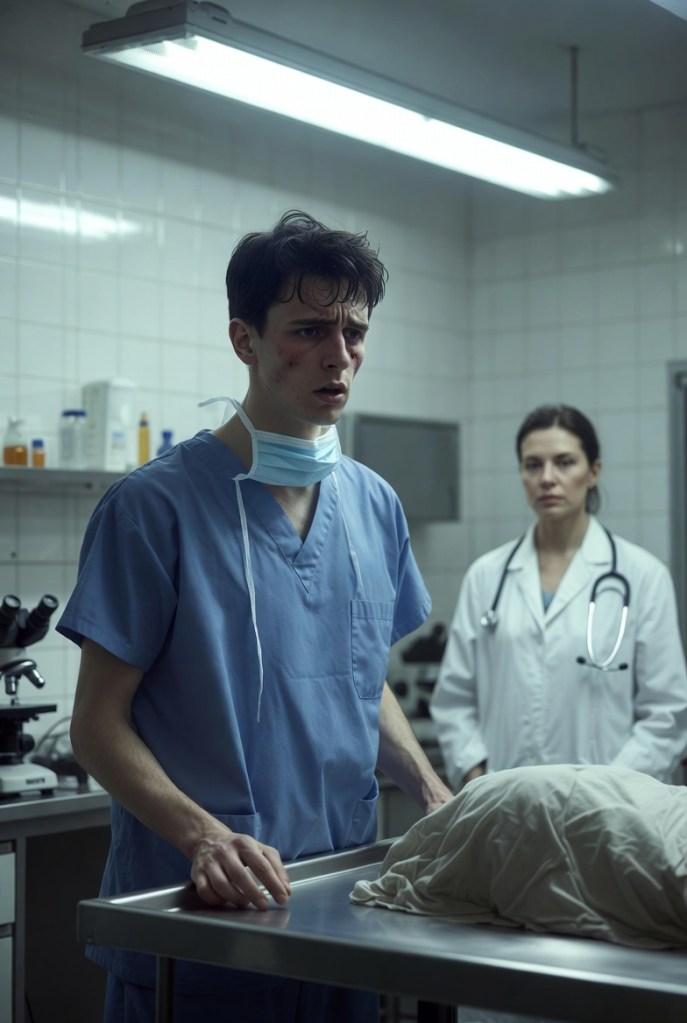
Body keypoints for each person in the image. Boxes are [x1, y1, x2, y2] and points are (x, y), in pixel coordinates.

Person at [58, 210, 453, 1023]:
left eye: (353, 331)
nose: (338, 355)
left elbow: (357, 677)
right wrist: (202, 835)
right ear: (245, 339)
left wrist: (428, 787)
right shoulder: (153, 506)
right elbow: (97, 724)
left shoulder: (372, 505)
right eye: (308, 330)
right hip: (196, 916)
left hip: (342, 904)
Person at [431, 403, 687, 792]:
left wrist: (608, 791)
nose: (547, 478)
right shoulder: (487, 576)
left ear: (593, 472)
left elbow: (667, 713)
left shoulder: (643, 577)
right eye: (533, 465)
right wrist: (477, 776)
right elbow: (454, 701)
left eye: (564, 463)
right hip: (506, 806)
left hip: (609, 813)